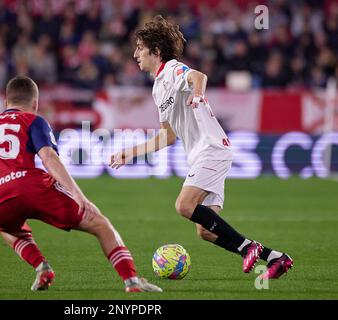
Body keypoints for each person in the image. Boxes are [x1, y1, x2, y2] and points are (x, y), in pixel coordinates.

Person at [0, 76, 162, 292]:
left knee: (6, 227)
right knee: (100, 223)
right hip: (30, 187)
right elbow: (48, 157)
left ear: (6, 101)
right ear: (36, 102)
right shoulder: (32, 120)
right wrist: (79, 196)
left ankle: (42, 268)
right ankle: (131, 280)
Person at [109, 16, 293, 280]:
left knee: (184, 205)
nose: (135, 53)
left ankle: (247, 248)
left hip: (212, 149)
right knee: (206, 231)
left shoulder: (171, 69)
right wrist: (131, 152)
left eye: (140, 47)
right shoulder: (158, 88)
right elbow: (167, 136)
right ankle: (276, 258)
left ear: (156, 51)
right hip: (201, 155)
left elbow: (198, 77)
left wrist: (197, 93)